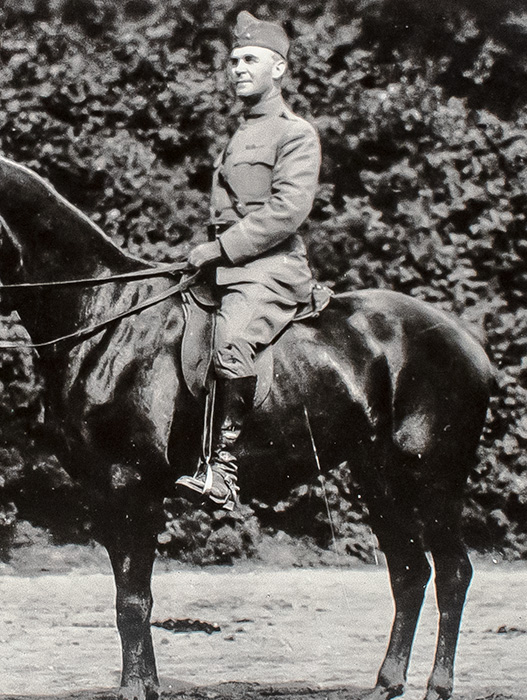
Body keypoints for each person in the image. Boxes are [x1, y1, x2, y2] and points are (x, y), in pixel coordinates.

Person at [176, 11, 321, 510]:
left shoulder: (294, 133)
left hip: (271, 270)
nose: (237, 68)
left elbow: (286, 212)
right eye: (234, 60)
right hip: (226, 267)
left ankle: (224, 468)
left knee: (231, 342)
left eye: (250, 60)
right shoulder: (240, 133)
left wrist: (219, 249)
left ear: (278, 68)